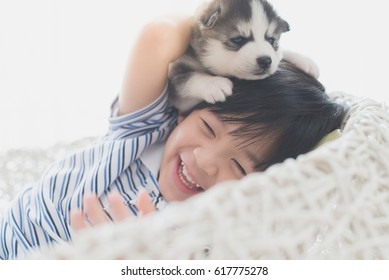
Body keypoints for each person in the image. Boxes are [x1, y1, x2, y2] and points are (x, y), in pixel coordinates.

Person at [0, 16, 347, 260]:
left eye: (239, 167)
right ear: (187, 111)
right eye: (209, 129)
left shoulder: (209, 240)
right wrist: (253, 47)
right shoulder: (146, 132)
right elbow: (159, 36)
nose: (205, 161)